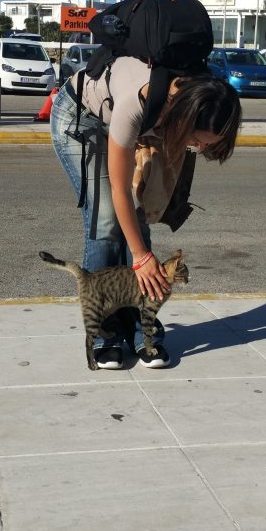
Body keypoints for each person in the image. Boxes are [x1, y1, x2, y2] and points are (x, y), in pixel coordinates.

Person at [50, 57, 242, 369]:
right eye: (196, 140)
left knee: (138, 220)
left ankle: (142, 330)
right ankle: (104, 335)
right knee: (105, 220)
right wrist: (140, 256)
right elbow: (119, 189)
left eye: (206, 146)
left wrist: (141, 248)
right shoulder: (137, 105)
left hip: (127, 125)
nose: (198, 148)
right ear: (185, 117)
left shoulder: (196, 92)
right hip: (81, 118)